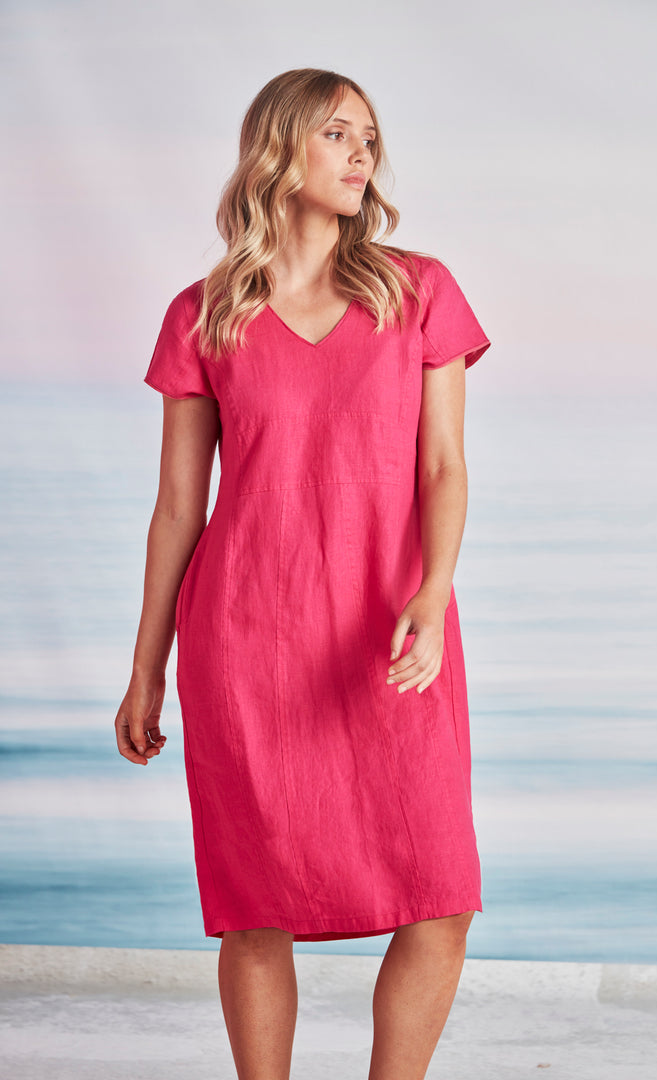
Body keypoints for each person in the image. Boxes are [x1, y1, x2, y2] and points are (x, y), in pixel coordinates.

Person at [114, 67, 491, 1080]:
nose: (362, 152)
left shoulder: (420, 291)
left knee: (440, 898)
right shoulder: (204, 314)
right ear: (279, 149)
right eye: (337, 133)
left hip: (392, 636)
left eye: (369, 136)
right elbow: (178, 509)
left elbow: (445, 468)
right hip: (247, 641)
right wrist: (147, 670)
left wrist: (431, 594)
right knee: (255, 909)